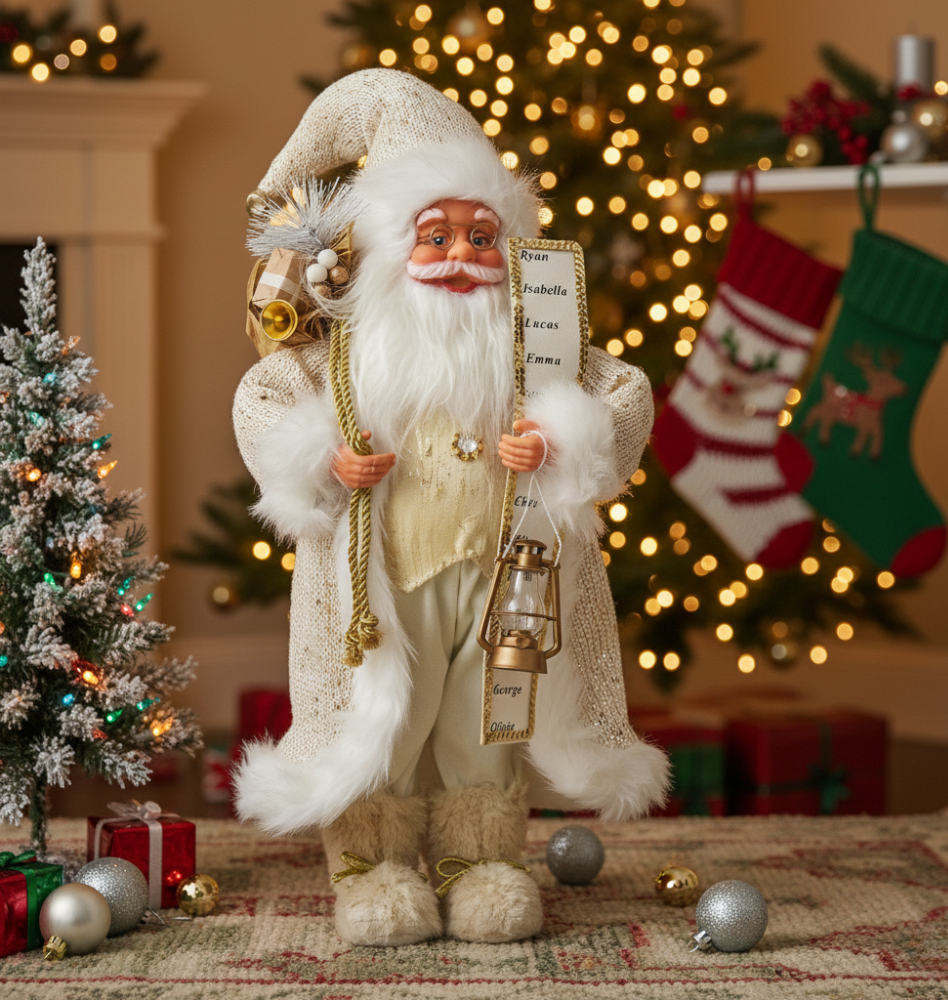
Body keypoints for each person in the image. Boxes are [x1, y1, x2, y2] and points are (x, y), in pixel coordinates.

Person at [232, 69, 669, 948]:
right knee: (381, 724)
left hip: (503, 573)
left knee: (487, 722)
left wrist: (557, 434)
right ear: (394, 247)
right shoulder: (347, 345)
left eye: (481, 235)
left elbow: (624, 392)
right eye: (436, 237)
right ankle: (374, 870)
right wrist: (326, 455)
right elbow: (262, 396)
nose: (462, 256)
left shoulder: (538, 337)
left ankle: (481, 863)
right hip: (381, 586)